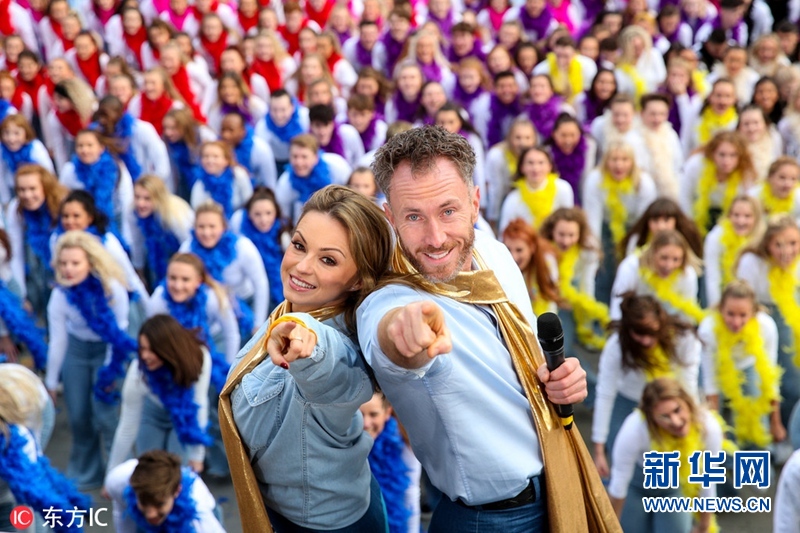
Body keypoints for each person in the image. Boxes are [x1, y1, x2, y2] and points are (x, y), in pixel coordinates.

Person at [358, 126, 612, 531]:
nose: (435, 238)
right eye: (413, 217)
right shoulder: (388, 300)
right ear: (390, 218)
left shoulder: (495, 254)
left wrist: (560, 382)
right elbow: (390, 338)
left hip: (559, 482)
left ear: (475, 203)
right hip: (487, 521)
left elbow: (526, 365)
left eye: (448, 211)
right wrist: (404, 336)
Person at [220, 185, 392, 532]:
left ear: (358, 280)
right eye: (299, 245)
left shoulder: (332, 342)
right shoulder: (291, 307)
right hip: (289, 507)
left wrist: (308, 343)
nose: (301, 266)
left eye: (328, 260)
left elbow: (333, 369)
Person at [45, 230, 136, 491]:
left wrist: (108, 373)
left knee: (105, 413)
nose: (68, 269)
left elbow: (117, 335)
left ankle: (120, 473)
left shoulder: (113, 290)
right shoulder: (60, 295)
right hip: (76, 351)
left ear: (91, 263)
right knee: (78, 414)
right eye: (63, 263)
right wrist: (51, 382)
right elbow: (58, 340)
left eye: (75, 263)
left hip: (108, 350)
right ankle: (87, 471)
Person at [592, 293, 700, 475]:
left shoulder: (683, 337)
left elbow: (689, 381)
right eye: (639, 334)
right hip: (629, 403)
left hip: (670, 402)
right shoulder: (616, 346)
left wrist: (693, 418)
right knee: (625, 461)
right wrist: (599, 450)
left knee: (673, 465)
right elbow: (605, 393)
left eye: (652, 333)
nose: (646, 340)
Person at [608, 378, 722, 533]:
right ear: (651, 418)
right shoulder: (634, 429)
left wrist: (704, 526)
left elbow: (707, 480)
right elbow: (619, 483)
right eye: (664, 416)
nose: (676, 422)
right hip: (637, 484)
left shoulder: (709, 428)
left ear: (687, 403)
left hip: (673, 486)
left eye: (677, 410)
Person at [106, 315, 212, 476]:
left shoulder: (198, 357)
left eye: (151, 350)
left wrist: (197, 455)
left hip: (184, 418)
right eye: (142, 348)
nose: (144, 356)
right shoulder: (139, 372)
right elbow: (127, 428)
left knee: (177, 473)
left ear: (168, 349)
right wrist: (111, 473)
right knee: (150, 472)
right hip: (151, 415)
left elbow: (199, 405)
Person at [698, 280, 783, 448]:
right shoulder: (708, 330)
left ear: (754, 313)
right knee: (714, 426)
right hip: (718, 368)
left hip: (749, 365)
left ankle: (759, 455)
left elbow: (769, 377)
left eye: (743, 315)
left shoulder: (766, 327)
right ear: (720, 309)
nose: (736, 322)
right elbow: (710, 382)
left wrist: (775, 422)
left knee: (756, 417)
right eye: (730, 314)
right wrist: (717, 429)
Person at [106, 450, 224, 533]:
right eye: (144, 503)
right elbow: (122, 515)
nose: (151, 514)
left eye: (159, 504)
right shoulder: (117, 482)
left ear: (177, 491)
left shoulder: (197, 508)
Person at [360, 392, 422, 533]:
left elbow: (410, 494)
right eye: (360, 414)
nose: (366, 423)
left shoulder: (403, 443)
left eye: (373, 414)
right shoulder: (342, 443)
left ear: (387, 412)